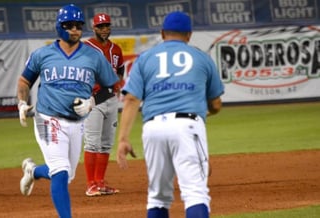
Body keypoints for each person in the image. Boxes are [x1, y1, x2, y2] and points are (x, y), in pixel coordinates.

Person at [116, 11, 224, 218]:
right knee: (195, 194)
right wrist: (208, 109)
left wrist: (123, 139)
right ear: (189, 35)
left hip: (153, 127)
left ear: (163, 33)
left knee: (157, 197)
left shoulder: (145, 58)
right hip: (187, 125)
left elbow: (131, 99)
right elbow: (216, 104)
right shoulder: (201, 57)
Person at [17, 4, 119, 218]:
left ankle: (33, 171)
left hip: (77, 122)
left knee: (66, 175)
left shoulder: (93, 56)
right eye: (69, 25)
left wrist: (92, 101)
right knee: (61, 171)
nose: (74, 29)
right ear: (59, 27)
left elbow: (112, 85)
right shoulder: (42, 54)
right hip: (47, 118)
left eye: (78, 25)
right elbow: (25, 81)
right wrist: (21, 102)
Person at [82, 13, 125, 197]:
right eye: (100, 26)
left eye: (107, 25)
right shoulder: (86, 47)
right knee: (92, 143)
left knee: (106, 143)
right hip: (94, 101)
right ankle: (90, 184)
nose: (104, 29)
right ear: (94, 28)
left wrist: (117, 84)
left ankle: (100, 182)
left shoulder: (116, 49)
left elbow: (121, 71)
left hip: (112, 99)